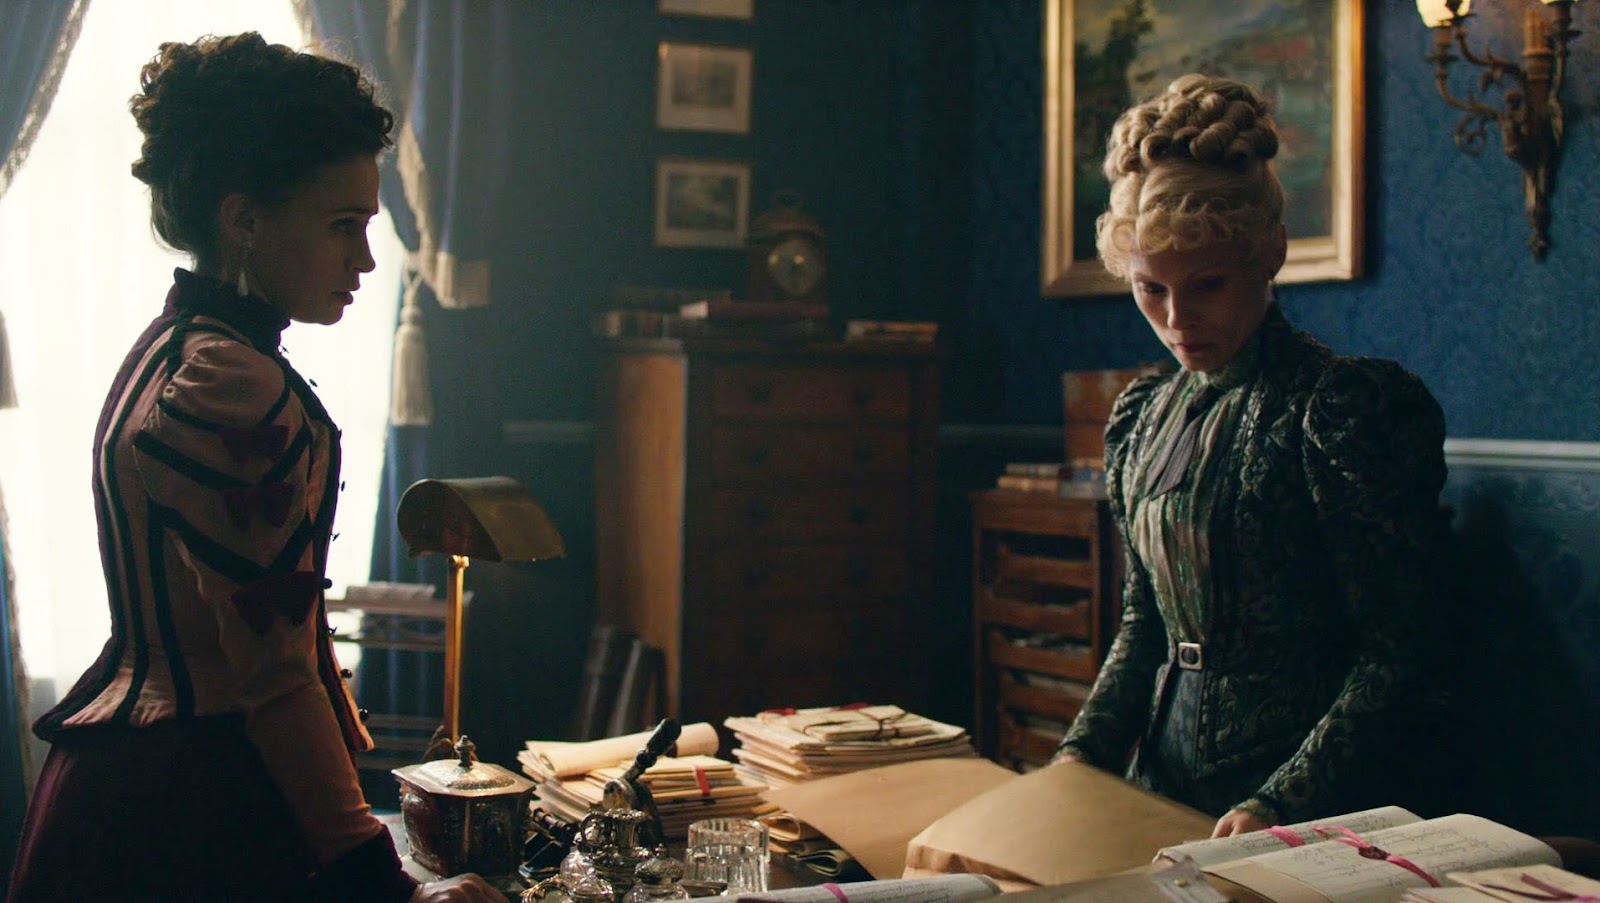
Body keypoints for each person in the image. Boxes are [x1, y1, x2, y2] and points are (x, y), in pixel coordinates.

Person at [7, 33, 504, 902]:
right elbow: (274, 678)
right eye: (342, 225)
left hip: (142, 780)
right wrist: (386, 886)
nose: (365, 259)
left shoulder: (175, 347)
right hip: (194, 806)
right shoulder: (228, 384)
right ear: (243, 219)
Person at [1052, 74, 1448, 838]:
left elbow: (1399, 652)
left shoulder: (1343, 409)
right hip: (1155, 792)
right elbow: (1144, 626)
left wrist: (1277, 804)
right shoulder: (1141, 416)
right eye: (1149, 289)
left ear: (1269, 252)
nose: (1177, 318)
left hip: (1306, 809)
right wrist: (1080, 757)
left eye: (1206, 284)